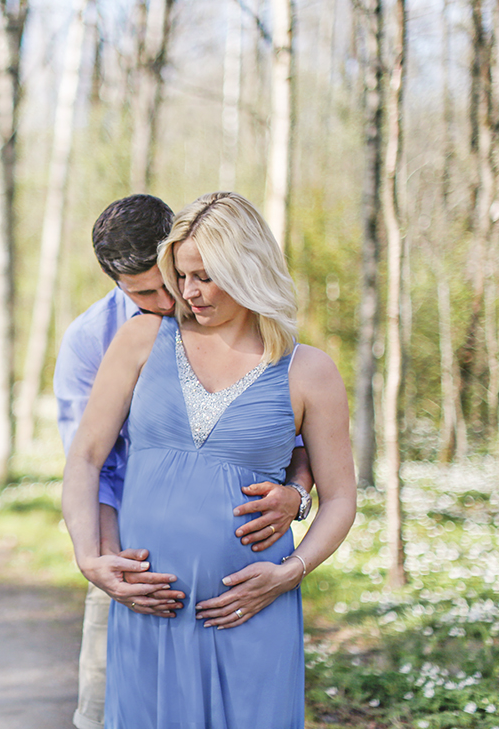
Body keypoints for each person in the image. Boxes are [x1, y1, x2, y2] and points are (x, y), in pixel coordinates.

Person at [62, 191, 357, 728]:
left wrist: (290, 572)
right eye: (181, 276)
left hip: (250, 613)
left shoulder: (308, 371)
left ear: (248, 268)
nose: (188, 294)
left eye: (204, 277)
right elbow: (84, 456)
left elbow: (340, 498)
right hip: (149, 609)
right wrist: (89, 557)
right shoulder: (141, 338)